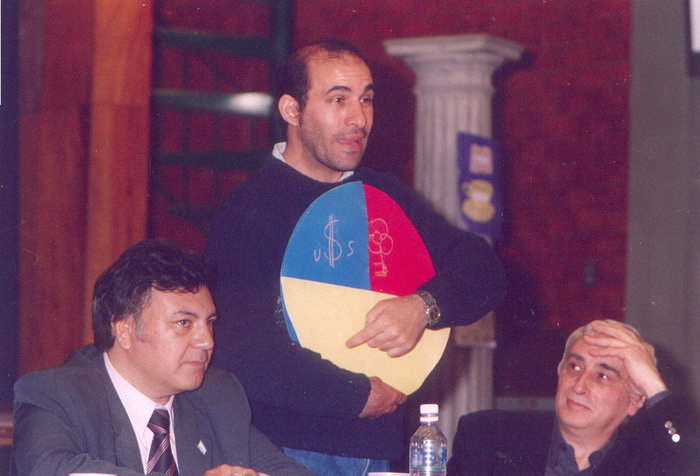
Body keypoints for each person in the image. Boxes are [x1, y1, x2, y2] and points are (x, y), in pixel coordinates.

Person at [204, 38, 508, 475]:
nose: (358, 118)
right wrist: (355, 395)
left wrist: (423, 307)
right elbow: (244, 348)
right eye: (338, 99)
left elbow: (483, 269)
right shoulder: (246, 209)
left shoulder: (384, 193)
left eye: (366, 100)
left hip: (381, 447)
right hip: (286, 450)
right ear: (292, 111)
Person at [12, 239, 312, 476]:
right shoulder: (55, 394)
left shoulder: (218, 395)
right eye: (184, 323)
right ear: (124, 329)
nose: (207, 341)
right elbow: (52, 470)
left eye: (210, 322)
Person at [447, 319, 699, 475]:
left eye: (603, 376)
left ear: (634, 402)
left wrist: (652, 383)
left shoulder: (648, 464)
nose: (579, 386)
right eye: (574, 367)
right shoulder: (489, 436)